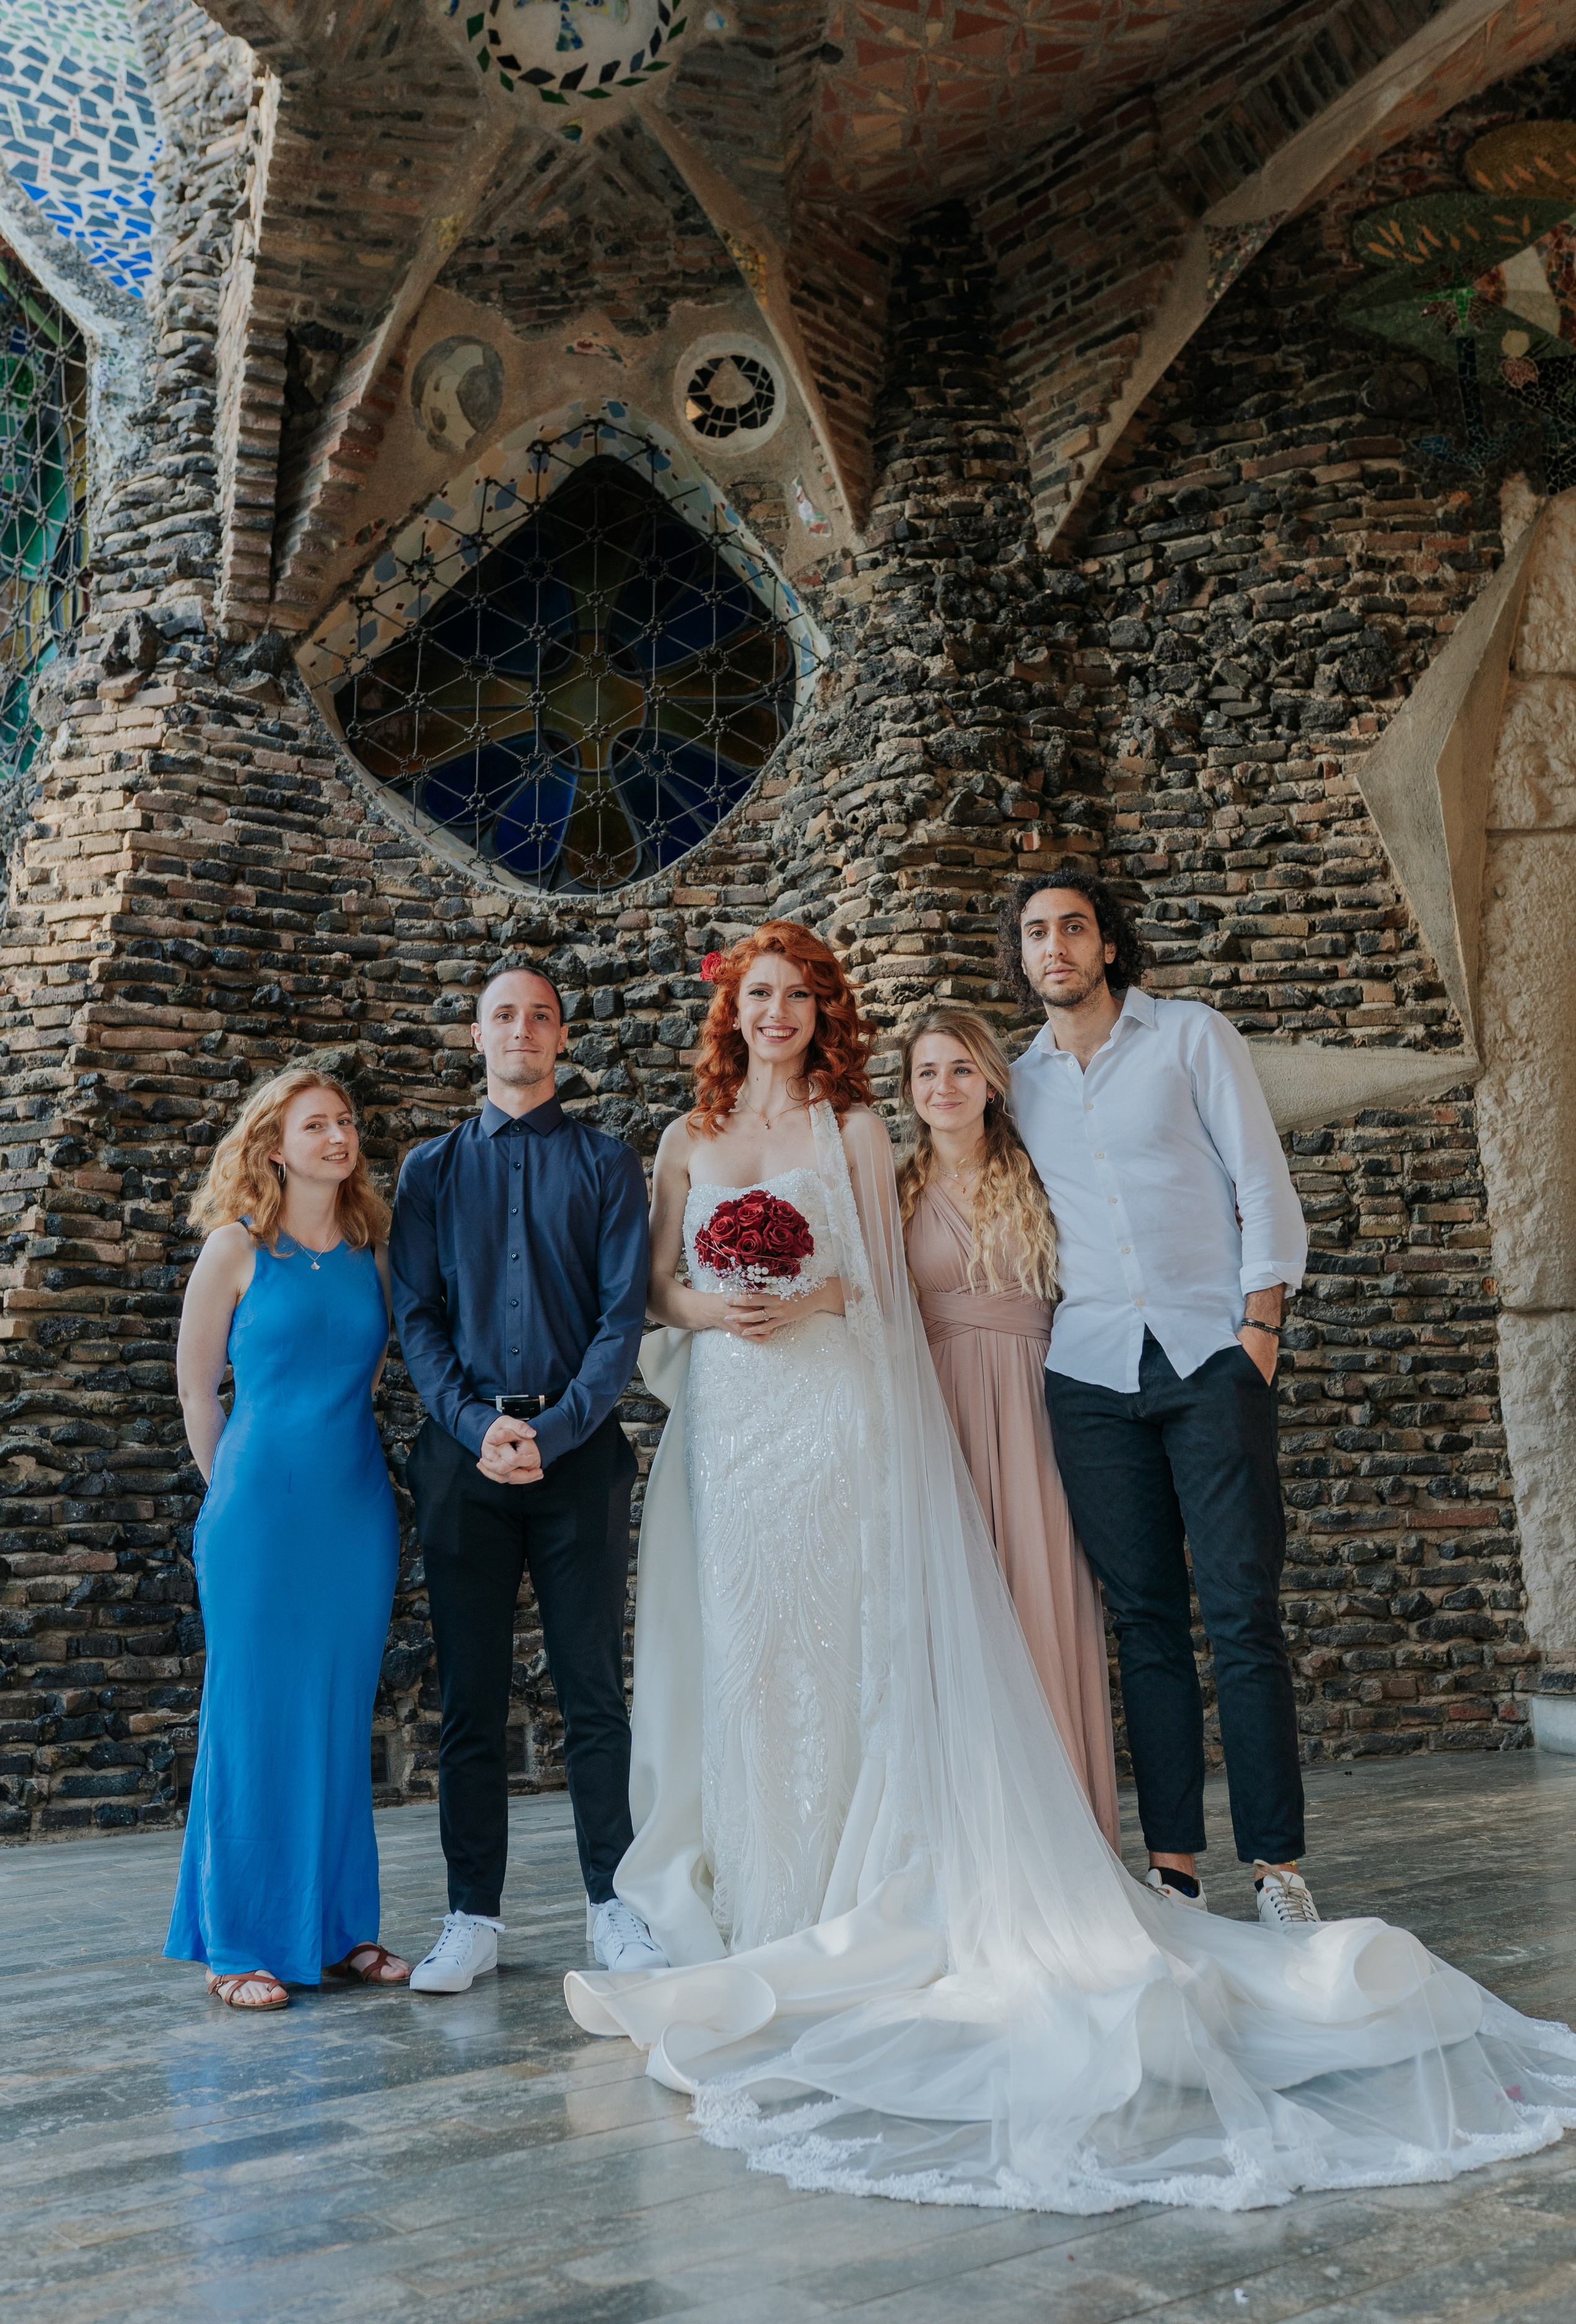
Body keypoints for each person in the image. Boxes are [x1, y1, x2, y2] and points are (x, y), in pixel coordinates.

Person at [563, 918, 1576, 2217]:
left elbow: (876, 1287)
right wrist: (725, 1303)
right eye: (758, 995)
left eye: (797, 995)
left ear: (823, 1013)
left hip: (836, 1416)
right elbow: (659, 1290)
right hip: (738, 1425)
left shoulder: (858, 1129)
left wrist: (805, 1300)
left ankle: (903, 1886)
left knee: (854, 1648)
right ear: (734, 1011)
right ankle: (760, 1896)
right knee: (751, 1655)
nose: (776, 1013)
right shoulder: (686, 1140)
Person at [1002, 868, 1315, 1927]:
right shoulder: (1018, 1085)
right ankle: (1174, 1867)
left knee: (1241, 1610)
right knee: (1143, 1622)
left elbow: (1261, 1181)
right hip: (1090, 1374)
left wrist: (1259, 1332)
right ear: (1023, 956)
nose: (1056, 946)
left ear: (1107, 944)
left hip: (1210, 1356)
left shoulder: (1190, 1036)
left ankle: (1276, 1871)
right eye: (1037, 932)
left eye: (1073, 927)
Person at [390, 964, 660, 1990]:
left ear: (561, 1038)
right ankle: (472, 1917)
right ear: (478, 1036)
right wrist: (476, 1426)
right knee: (470, 1696)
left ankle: (613, 1905)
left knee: (593, 1688)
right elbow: (417, 1321)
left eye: (540, 1015)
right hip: (462, 1462)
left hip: (578, 1457)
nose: (522, 1030)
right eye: (503, 1015)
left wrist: (555, 1428)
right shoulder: (429, 1172)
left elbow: (620, 1318)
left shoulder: (607, 1164)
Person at [166, 1065, 406, 2009]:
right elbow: (198, 1391)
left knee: (339, 1717)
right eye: (316, 1125)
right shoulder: (233, 1248)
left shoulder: (372, 1250)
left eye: (345, 1122)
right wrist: (231, 1492)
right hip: (258, 1515)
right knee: (252, 1716)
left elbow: (368, 1376)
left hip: (354, 1510)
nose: (339, 1137)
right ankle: (239, 1942)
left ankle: (341, 1930)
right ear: (273, 1146)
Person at [898, 1007, 1119, 1847]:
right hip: (938, 1411)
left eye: (961, 1068)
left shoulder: (1044, 1174)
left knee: (1042, 1596)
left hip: (1039, 1408)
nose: (944, 1087)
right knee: (955, 1610)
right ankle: (974, 1837)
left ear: (992, 1082)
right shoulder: (891, 1189)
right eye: (927, 1072)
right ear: (909, 1090)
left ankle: (1064, 1838)